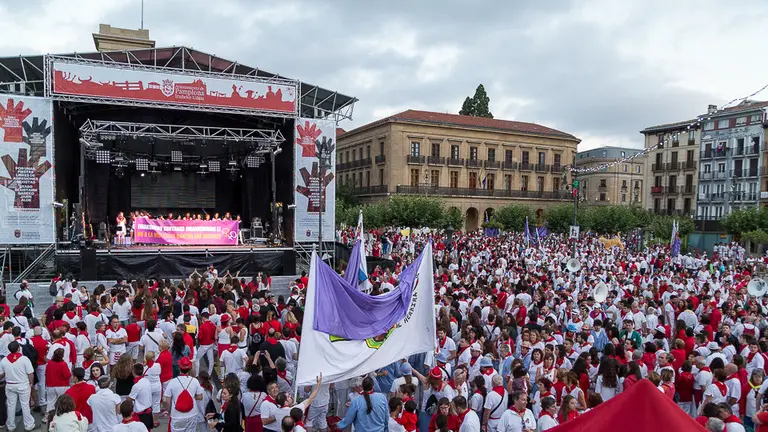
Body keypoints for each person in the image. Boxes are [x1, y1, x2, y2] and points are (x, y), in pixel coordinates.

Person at [0, 340, 35, 431]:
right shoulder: (24, 359)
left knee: (11, 406)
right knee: (25, 405)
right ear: (19, 349)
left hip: (10, 385)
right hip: (23, 385)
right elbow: (30, 373)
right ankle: (28, 425)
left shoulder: (4, 360)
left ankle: (11, 425)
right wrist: (31, 383)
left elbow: (1, 374)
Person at [163, 357, 203, 432]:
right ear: (190, 368)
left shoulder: (172, 382)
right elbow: (200, 397)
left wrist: (169, 410)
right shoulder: (195, 381)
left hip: (177, 415)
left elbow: (165, 399)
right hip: (192, 414)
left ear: (179, 368)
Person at [128, 362, 155, 430]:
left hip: (141, 414)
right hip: (148, 411)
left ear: (133, 371)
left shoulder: (137, 386)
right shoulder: (146, 381)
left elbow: (130, 399)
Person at [46, 347, 72, 416]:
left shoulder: (49, 363)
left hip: (51, 385)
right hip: (62, 385)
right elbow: (67, 375)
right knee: (63, 402)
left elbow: (46, 373)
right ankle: (63, 415)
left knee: (50, 402)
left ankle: (48, 416)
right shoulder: (63, 364)